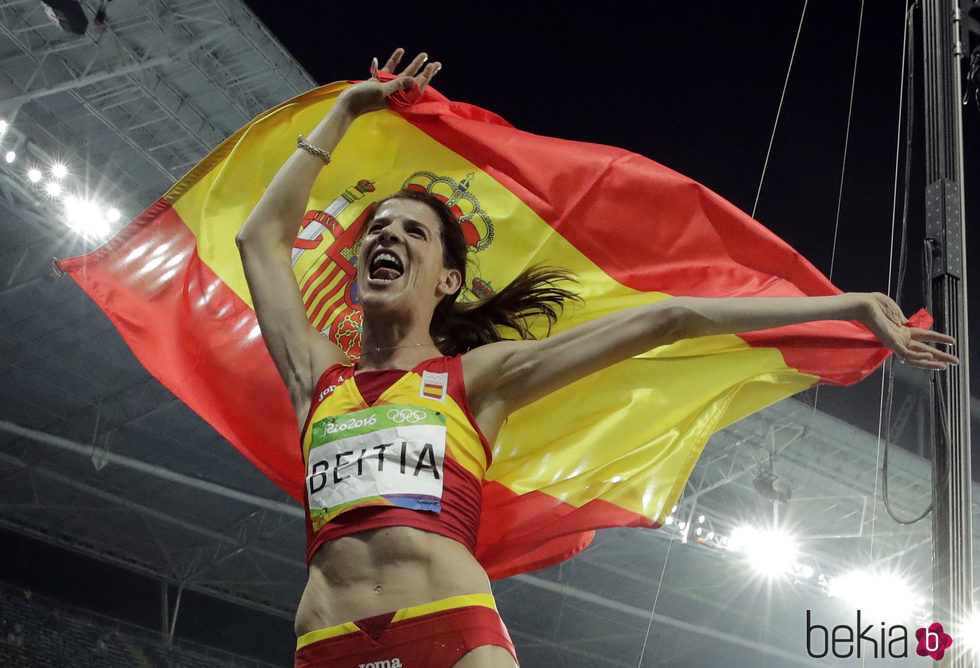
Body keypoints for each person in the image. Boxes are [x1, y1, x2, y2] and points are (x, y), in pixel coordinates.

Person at [236, 49, 957, 668]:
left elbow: (671, 317)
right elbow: (258, 241)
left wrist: (844, 307)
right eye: (377, 227)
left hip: (448, 630)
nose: (386, 235)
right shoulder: (315, 377)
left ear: (448, 280)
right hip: (325, 641)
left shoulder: (476, 379)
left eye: (413, 233)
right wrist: (351, 110)